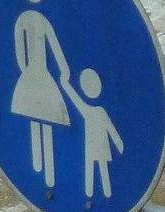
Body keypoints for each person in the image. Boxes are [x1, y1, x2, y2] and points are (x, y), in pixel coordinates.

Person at [10, 0, 72, 188]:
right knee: (48, 121)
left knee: (36, 121)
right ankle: (49, 177)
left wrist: (27, 73)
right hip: (42, 75)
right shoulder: (41, 20)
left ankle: (41, 172)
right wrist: (64, 72)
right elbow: (56, 48)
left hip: (30, 77)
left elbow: (20, 53)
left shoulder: (22, 18)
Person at [67, 69, 124, 200]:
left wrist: (118, 143)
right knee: (94, 168)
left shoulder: (96, 111)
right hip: (94, 145)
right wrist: (66, 85)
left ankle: (98, 194)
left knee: (96, 168)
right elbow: (75, 100)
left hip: (98, 145)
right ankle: (94, 195)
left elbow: (110, 128)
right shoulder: (95, 110)